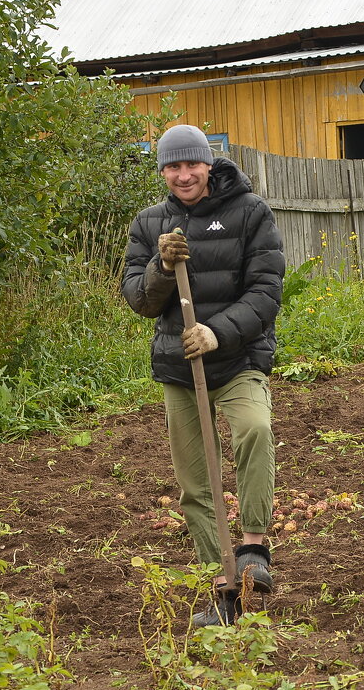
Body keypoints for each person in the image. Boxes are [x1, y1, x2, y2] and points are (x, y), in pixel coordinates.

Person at [121, 124, 285, 626]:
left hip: (238, 359)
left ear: (208, 165)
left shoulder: (251, 213)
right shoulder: (150, 224)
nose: (183, 174)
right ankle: (222, 585)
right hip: (179, 366)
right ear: (163, 171)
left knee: (254, 430)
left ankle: (254, 548)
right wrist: (161, 267)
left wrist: (216, 334)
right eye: (173, 166)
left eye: (192, 164)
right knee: (196, 481)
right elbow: (139, 301)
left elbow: (266, 293)